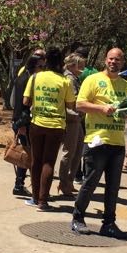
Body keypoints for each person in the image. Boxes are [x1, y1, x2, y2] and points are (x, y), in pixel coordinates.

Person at [71, 47, 127, 237]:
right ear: (105, 60)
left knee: (113, 186)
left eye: (118, 60)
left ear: (123, 63)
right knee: (90, 182)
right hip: (96, 141)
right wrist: (101, 108)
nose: (113, 62)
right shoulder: (93, 80)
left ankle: (109, 223)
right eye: (111, 59)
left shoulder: (125, 85)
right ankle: (78, 218)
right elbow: (79, 104)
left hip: (117, 142)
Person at [22, 47, 75, 210]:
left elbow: (25, 101)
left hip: (37, 124)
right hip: (56, 126)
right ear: (60, 62)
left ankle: (34, 197)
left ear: (46, 61)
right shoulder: (64, 81)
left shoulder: (36, 77)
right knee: (49, 162)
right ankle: (43, 201)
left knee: (36, 160)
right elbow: (70, 104)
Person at [10, 51, 44, 196]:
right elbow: (19, 104)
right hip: (23, 121)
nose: (43, 69)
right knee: (26, 154)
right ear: (34, 65)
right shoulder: (25, 80)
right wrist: (21, 124)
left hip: (22, 121)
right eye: (41, 66)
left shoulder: (27, 78)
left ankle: (20, 183)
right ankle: (19, 184)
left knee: (27, 153)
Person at [56, 52, 86, 196]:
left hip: (77, 119)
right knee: (70, 152)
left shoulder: (75, 78)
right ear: (73, 65)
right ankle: (63, 182)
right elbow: (71, 102)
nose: (83, 68)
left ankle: (68, 181)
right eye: (81, 65)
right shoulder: (69, 79)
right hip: (72, 119)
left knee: (78, 151)